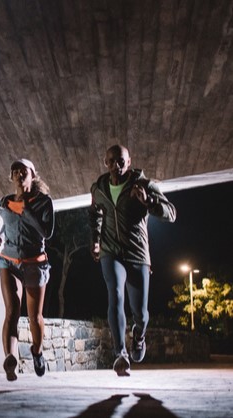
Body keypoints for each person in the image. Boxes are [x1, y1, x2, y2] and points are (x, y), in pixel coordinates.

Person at [89, 145, 176, 377]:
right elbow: (95, 213)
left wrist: (149, 202)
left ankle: (139, 335)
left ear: (129, 162)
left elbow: (171, 213)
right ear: (105, 163)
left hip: (137, 253)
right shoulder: (99, 188)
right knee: (115, 294)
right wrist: (96, 240)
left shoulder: (144, 184)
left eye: (120, 161)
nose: (116, 165)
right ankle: (121, 354)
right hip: (111, 252)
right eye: (111, 161)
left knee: (141, 313)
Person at [0, 159, 54, 381]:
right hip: (8, 260)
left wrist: (28, 212)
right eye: (15, 171)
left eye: (24, 171)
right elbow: (7, 223)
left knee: (34, 316)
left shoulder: (43, 202)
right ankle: (10, 359)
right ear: (11, 177)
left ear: (32, 176)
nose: (19, 174)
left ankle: (37, 351)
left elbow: (47, 232)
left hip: (34, 262)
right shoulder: (4, 203)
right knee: (11, 311)